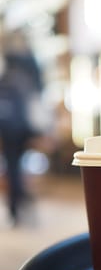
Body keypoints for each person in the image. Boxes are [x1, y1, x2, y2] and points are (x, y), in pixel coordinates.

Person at [0, 31, 44, 225]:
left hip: (8, 122)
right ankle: (23, 199)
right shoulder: (31, 63)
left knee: (12, 164)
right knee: (24, 162)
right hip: (27, 122)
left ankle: (16, 206)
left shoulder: (7, 65)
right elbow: (40, 91)